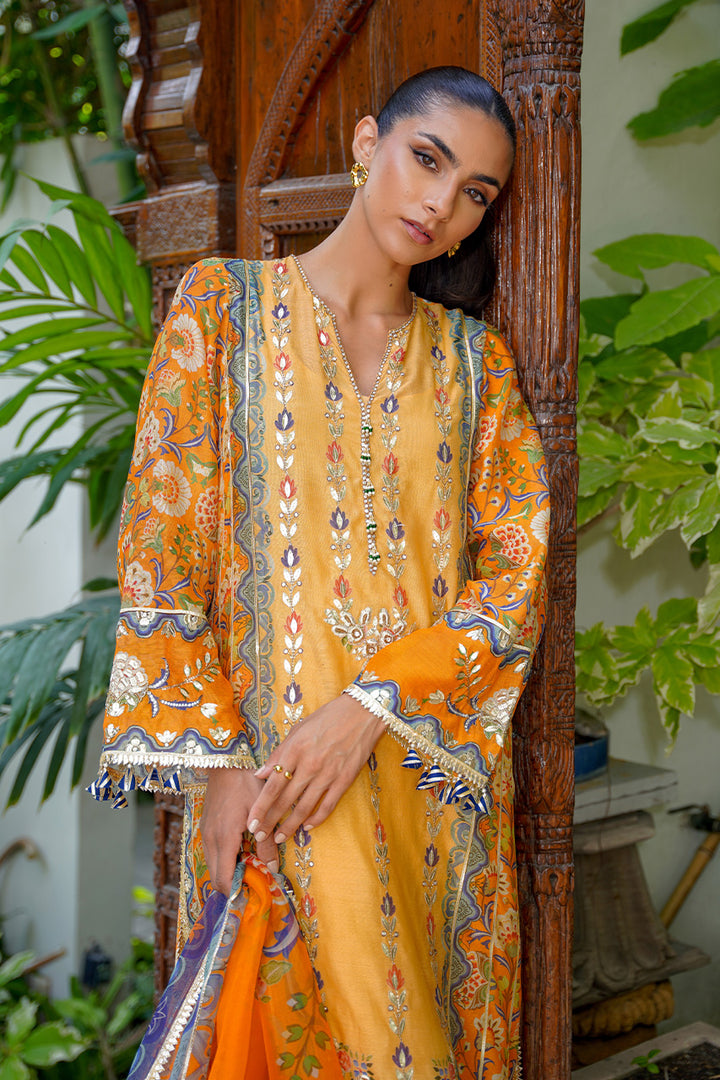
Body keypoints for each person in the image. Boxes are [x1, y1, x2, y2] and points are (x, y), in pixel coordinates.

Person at [91, 66, 548, 1080]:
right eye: (426, 159)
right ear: (365, 142)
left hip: (424, 782)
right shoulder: (222, 311)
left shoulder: (479, 368)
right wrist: (219, 774)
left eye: (474, 192)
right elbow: (161, 557)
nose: (440, 203)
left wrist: (371, 706)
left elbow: (516, 579)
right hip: (272, 786)